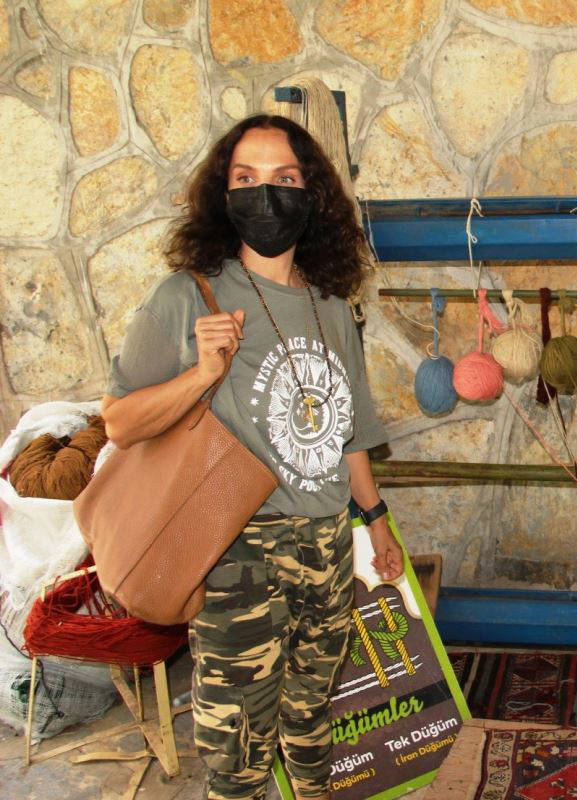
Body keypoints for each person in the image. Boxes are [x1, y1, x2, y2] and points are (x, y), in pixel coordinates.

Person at [100, 114, 403, 800]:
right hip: (238, 552)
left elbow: (348, 433)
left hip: (327, 549)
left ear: (311, 195)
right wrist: (201, 374)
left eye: (284, 178)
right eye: (247, 178)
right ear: (224, 194)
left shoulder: (333, 306)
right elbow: (118, 422)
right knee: (236, 751)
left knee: (312, 723)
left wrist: (376, 522)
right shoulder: (188, 295)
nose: (266, 194)